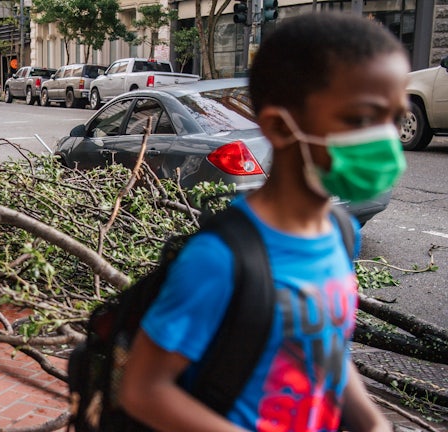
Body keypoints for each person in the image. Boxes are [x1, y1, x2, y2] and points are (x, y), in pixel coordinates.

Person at [120, 12, 408, 432]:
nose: (385, 138)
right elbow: (143, 390)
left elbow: (326, 351)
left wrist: (372, 423)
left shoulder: (344, 235)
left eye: (395, 117)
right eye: (362, 118)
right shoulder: (219, 259)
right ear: (279, 126)